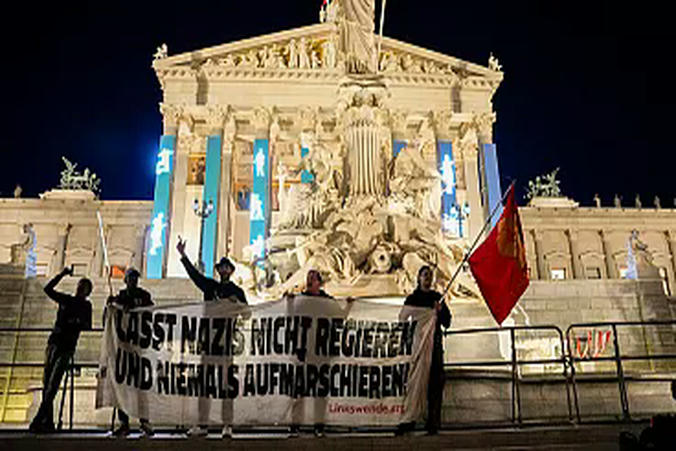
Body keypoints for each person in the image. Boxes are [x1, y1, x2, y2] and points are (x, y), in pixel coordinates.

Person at [176, 236, 247, 438]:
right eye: (221, 267)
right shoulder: (210, 287)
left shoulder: (237, 291)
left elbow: (247, 314)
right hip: (208, 343)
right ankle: (202, 424)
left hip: (225, 344)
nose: (224, 270)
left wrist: (238, 304)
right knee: (204, 385)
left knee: (226, 386)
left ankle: (227, 425)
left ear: (231, 271)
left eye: (227, 267)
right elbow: (194, 275)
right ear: (218, 271)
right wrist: (183, 255)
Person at [29, 266, 92, 433]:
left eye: (84, 287)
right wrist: (62, 274)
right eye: (79, 285)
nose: (80, 288)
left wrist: (74, 322)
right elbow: (48, 289)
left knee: (53, 384)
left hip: (67, 347)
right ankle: (48, 422)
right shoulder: (67, 299)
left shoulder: (86, 306)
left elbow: (88, 326)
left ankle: (38, 419)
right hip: (53, 343)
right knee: (46, 384)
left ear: (88, 292)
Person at [397, 265, 451, 436]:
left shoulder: (437, 298)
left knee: (435, 383)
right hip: (417, 346)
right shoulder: (412, 299)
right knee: (415, 382)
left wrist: (440, 312)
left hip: (434, 346)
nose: (427, 278)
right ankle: (410, 420)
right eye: (425, 275)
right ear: (419, 278)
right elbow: (402, 319)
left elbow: (447, 322)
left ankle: (433, 422)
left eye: (430, 275)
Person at [107, 268, 154, 437]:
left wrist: (135, 306)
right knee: (122, 387)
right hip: (123, 347)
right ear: (125, 280)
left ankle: (145, 422)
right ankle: (124, 422)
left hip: (139, 347)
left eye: (135, 278)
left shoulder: (144, 296)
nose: (133, 280)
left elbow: (151, 312)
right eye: (130, 278)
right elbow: (108, 318)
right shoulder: (119, 297)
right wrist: (111, 304)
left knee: (141, 387)